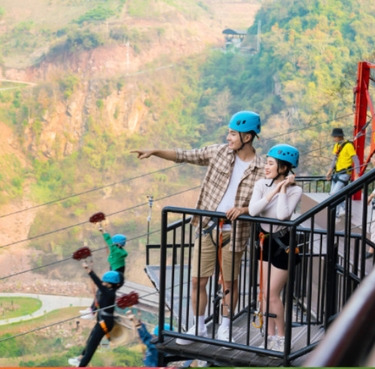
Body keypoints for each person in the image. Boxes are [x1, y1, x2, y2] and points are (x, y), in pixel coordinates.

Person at [131, 111, 265, 346]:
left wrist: (244, 208)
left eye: (233, 134)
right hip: (207, 227)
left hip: (236, 232)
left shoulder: (261, 168)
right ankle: (199, 327)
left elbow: (268, 198)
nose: (228, 137)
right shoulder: (219, 153)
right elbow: (185, 155)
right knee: (197, 281)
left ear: (247, 137)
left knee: (230, 284)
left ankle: (225, 328)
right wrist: (155, 152)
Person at [248, 144, 303, 352]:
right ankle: (269, 337)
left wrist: (282, 190)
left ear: (283, 167)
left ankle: (282, 337)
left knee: (272, 294)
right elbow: (253, 210)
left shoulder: (295, 189)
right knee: (263, 294)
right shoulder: (261, 184)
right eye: (266, 162)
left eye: (270, 163)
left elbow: (282, 216)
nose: (266, 167)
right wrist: (274, 191)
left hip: (283, 244)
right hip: (264, 242)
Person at [69, 264, 121, 367]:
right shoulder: (108, 291)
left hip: (104, 322)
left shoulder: (110, 293)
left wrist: (89, 271)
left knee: (92, 346)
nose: (103, 283)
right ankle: (80, 359)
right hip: (102, 321)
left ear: (110, 284)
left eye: (105, 282)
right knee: (90, 340)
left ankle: (81, 365)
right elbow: (101, 286)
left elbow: (99, 284)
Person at [80, 234, 128, 319]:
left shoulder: (117, 251)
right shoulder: (117, 251)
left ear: (117, 244)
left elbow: (109, 243)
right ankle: (92, 309)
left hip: (116, 277)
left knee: (101, 291)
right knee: (100, 292)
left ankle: (92, 311)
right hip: (115, 274)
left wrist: (103, 232)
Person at [325, 128, 360, 217]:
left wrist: (356, 174)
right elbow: (334, 159)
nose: (334, 138)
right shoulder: (337, 145)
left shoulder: (348, 146)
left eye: (335, 136)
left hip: (345, 173)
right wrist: (329, 171)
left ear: (340, 136)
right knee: (332, 195)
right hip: (336, 173)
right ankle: (344, 210)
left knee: (334, 194)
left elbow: (356, 160)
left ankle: (336, 215)